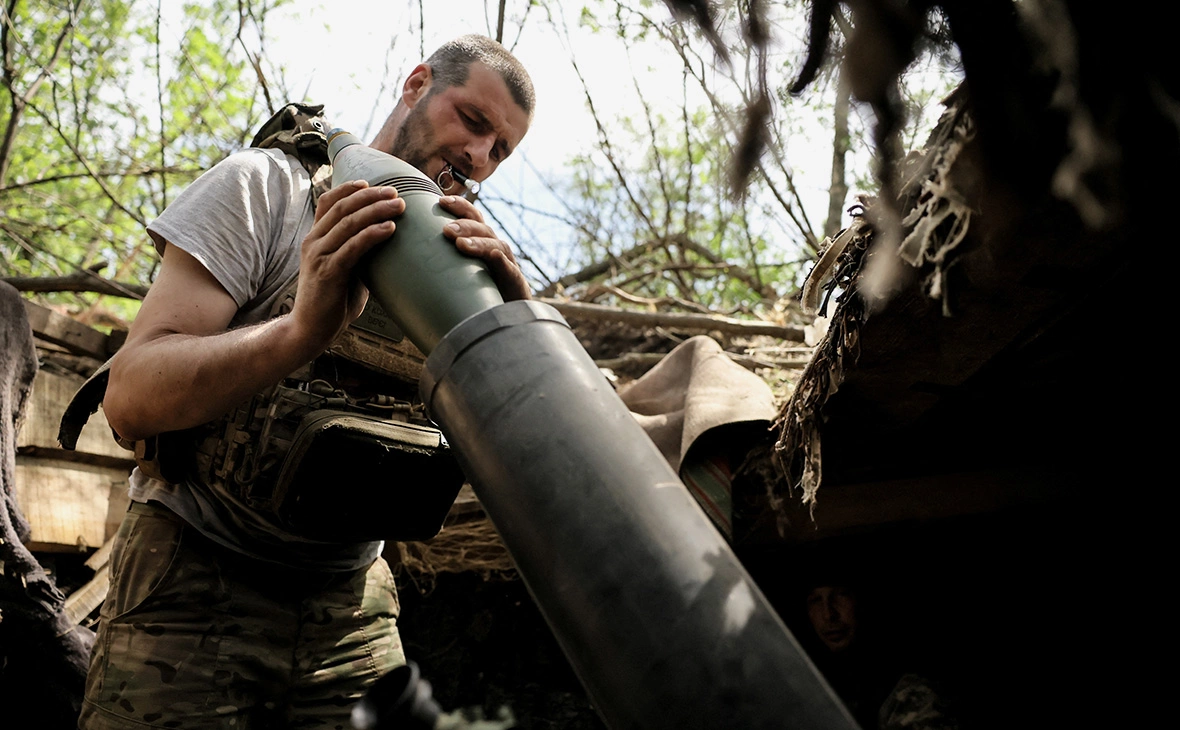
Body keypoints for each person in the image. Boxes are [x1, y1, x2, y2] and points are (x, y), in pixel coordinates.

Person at [79, 34, 535, 729]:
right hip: (194, 582)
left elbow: (516, 460)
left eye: (501, 150)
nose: (479, 158)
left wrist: (513, 333)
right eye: (474, 121)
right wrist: (299, 331)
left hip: (352, 607)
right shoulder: (263, 188)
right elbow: (130, 399)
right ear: (417, 85)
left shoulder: (464, 261)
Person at [804, 581, 960, 730]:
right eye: (815, 600)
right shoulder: (809, 682)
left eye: (841, 595)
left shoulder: (911, 688)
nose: (828, 614)